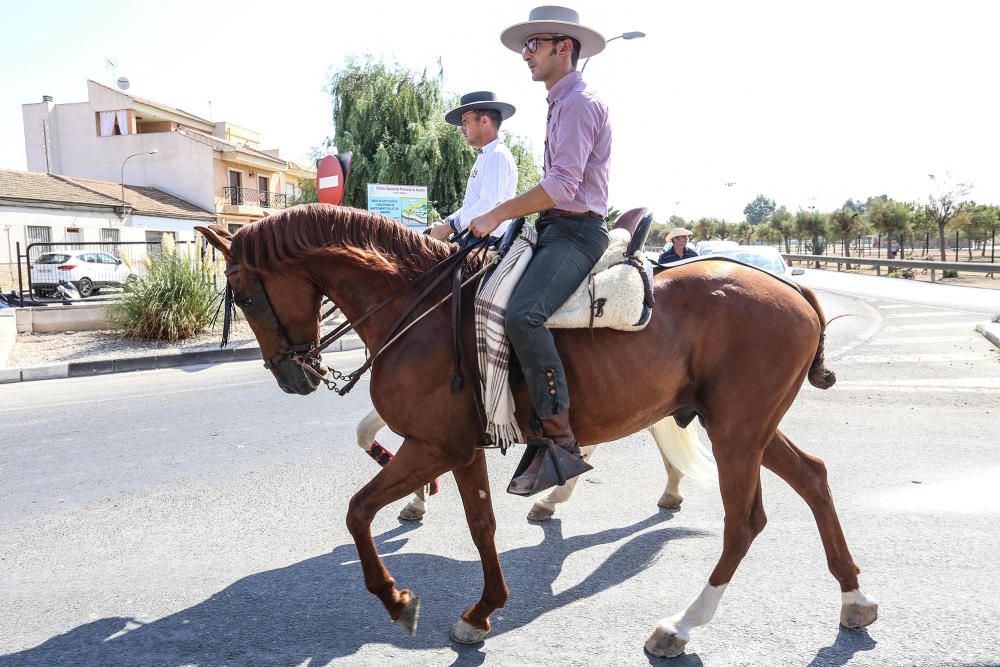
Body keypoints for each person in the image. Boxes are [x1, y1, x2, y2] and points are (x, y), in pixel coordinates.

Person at [468, 6, 611, 496]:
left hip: (577, 233)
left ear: (563, 47)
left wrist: (497, 214)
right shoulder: (558, 102)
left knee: (523, 315)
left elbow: (563, 184)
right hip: (553, 229)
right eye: (525, 46)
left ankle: (560, 440)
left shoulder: (578, 104)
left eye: (534, 44)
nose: (525, 54)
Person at [426, 91, 518, 241]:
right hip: (474, 238)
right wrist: (447, 223)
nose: (462, 129)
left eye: (465, 122)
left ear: (484, 121)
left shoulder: (497, 155)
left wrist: (449, 227)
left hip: (486, 241)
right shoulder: (487, 155)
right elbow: (472, 205)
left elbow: (488, 205)